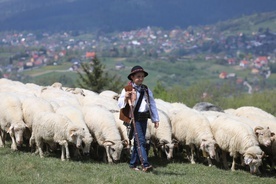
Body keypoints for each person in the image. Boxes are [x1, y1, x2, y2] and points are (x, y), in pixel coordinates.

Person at [118, 65, 159, 172]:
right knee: (141, 141)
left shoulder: (145, 89)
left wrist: (155, 119)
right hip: (134, 118)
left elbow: (152, 103)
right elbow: (120, 103)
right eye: (138, 76)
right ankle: (145, 164)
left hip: (143, 117)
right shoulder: (127, 89)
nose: (140, 78)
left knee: (138, 141)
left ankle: (133, 164)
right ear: (132, 77)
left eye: (142, 76)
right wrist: (126, 98)